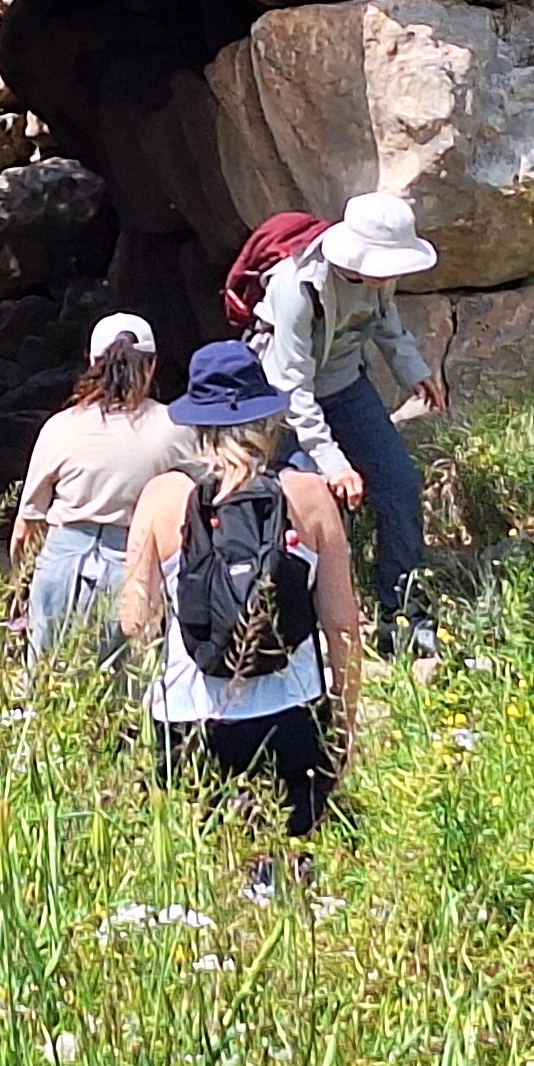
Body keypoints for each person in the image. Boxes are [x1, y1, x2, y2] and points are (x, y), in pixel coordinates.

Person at [120, 342, 364, 889]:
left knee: (197, 875)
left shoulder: (164, 497)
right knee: (290, 872)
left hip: (187, 713)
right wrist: (344, 726)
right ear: (267, 416)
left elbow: (136, 620)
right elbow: (342, 625)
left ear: (198, 423)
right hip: (291, 711)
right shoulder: (309, 494)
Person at [250, 189, 445, 659]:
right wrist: (334, 463)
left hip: (344, 386)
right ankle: (297, 623)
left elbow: (385, 325)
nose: (390, 275)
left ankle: (400, 613)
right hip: (284, 403)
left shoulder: (380, 280)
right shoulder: (296, 288)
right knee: (305, 506)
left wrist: (415, 372)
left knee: (398, 483)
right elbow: (292, 389)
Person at [7, 313, 188, 671]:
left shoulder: (60, 428)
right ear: (151, 367)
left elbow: (25, 528)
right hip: (136, 563)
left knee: (48, 678)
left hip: (62, 561)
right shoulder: (177, 430)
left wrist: (19, 586)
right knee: (124, 689)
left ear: (91, 362)